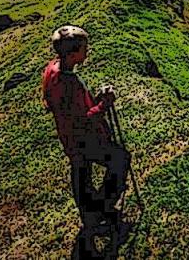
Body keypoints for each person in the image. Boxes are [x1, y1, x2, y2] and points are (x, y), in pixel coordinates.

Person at [41, 25, 130, 235]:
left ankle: (90, 214)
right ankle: (102, 209)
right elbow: (84, 120)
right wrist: (104, 104)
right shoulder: (67, 82)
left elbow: (69, 107)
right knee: (119, 159)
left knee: (81, 174)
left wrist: (96, 98)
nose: (87, 51)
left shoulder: (54, 69)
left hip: (69, 136)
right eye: (84, 48)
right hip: (82, 137)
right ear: (73, 54)